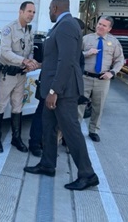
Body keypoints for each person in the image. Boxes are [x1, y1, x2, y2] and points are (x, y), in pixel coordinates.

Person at [24, 0, 99, 191]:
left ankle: (87, 174)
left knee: (71, 131)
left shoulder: (66, 25)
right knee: (48, 128)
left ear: (56, 7)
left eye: (49, 8)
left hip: (63, 91)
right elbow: (56, 58)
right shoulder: (63, 25)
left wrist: (54, 90)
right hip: (55, 88)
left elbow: (66, 61)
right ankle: (48, 164)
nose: (49, 12)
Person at [28, 17, 86, 157]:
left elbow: (74, 71)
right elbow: (53, 64)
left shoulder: (74, 50)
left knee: (61, 123)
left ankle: (50, 151)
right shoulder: (60, 42)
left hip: (63, 91)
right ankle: (37, 146)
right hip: (52, 89)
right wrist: (53, 89)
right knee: (43, 117)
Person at [0, 1, 39, 153]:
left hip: (21, 75)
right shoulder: (9, 29)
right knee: (0, 105)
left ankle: (16, 138)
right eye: (29, 11)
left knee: (18, 106)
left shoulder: (29, 31)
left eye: (33, 12)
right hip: (7, 74)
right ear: (20, 12)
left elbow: (29, 50)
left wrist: (30, 61)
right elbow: (4, 51)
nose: (31, 14)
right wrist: (23, 60)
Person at [78, 16, 124, 142]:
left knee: (98, 107)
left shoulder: (114, 42)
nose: (100, 27)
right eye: (99, 24)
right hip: (85, 77)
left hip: (102, 80)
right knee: (79, 106)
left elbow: (120, 60)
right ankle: (75, 132)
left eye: (104, 25)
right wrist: (87, 53)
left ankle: (93, 130)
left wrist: (112, 72)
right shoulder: (86, 39)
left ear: (109, 28)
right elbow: (76, 55)